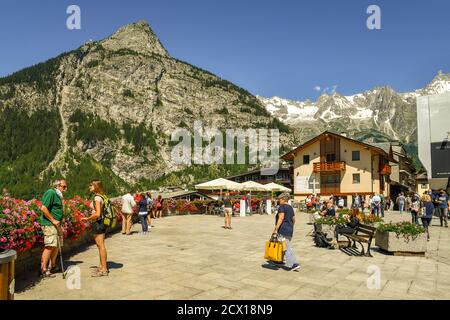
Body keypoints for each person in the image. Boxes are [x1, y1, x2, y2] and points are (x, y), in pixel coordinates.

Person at [39, 179, 67, 278]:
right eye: (64, 187)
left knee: (56, 245)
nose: (65, 189)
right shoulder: (51, 193)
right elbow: (43, 208)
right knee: (50, 245)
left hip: (56, 224)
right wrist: (53, 220)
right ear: (57, 186)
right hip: (49, 224)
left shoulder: (58, 195)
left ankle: (52, 266)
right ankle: (43, 269)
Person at [82, 180, 109, 277]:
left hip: (98, 223)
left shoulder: (97, 197)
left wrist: (87, 218)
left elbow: (97, 214)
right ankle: (102, 266)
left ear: (96, 186)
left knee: (101, 245)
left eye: (91, 185)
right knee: (100, 246)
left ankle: (104, 270)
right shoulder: (102, 196)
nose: (89, 187)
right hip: (102, 222)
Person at [272, 193, 299, 271]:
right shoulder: (290, 208)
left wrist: (275, 229)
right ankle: (279, 261)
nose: (278, 201)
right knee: (282, 245)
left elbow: (281, 218)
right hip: (289, 229)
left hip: (283, 230)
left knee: (286, 247)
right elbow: (294, 219)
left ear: (284, 199)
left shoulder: (282, 207)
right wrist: (290, 226)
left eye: (279, 199)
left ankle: (293, 263)